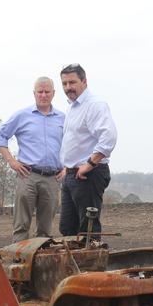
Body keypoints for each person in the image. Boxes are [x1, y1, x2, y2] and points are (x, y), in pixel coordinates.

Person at [0, 77, 65, 242]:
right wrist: (12, 161)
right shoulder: (22, 115)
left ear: (53, 93)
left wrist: (67, 167)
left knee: (45, 229)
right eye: (40, 92)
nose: (43, 95)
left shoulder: (63, 119)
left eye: (47, 92)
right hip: (28, 176)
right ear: (34, 93)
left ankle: (40, 265)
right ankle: (19, 264)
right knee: (21, 225)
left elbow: (72, 144)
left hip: (53, 178)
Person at [58, 64, 117, 238]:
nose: (68, 87)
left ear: (84, 81)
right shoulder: (72, 107)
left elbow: (108, 138)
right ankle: (73, 265)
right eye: (64, 84)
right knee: (68, 228)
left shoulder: (94, 105)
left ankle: (91, 264)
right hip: (71, 175)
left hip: (88, 175)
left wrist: (90, 164)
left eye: (72, 82)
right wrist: (67, 167)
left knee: (87, 230)